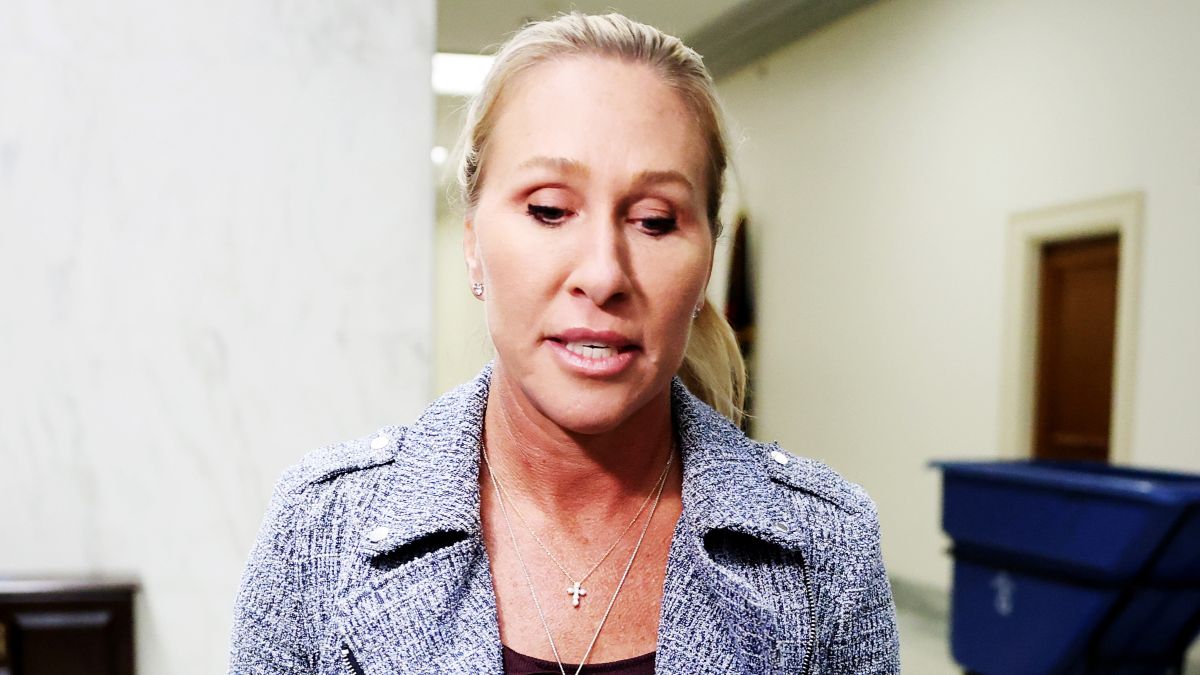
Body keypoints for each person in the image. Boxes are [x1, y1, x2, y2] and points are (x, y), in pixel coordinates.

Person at [229, 12, 899, 675]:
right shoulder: (321, 528)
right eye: (550, 209)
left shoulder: (824, 546)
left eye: (655, 220)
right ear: (472, 243)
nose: (604, 273)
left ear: (706, 264)